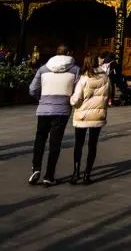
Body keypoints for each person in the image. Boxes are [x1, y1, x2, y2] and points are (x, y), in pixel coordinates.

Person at [28, 45, 80, 185]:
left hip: (44, 109)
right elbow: (77, 90)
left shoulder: (43, 68)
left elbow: (32, 89)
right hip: (62, 110)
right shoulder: (75, 69)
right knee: (55, 143)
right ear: (68, 53)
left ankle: (36, 168)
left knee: (40, 139)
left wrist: (42, 98)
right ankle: (49, 176)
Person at [69, 54, 110, 185]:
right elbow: (107, 94)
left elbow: (76, 99)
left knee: (79, 144)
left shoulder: (84, 78)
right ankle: (87, 174)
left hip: (82, 115)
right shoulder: (105, 77)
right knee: (92, 144)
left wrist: (71, 100)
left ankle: (76, 173)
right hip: (98, 115)